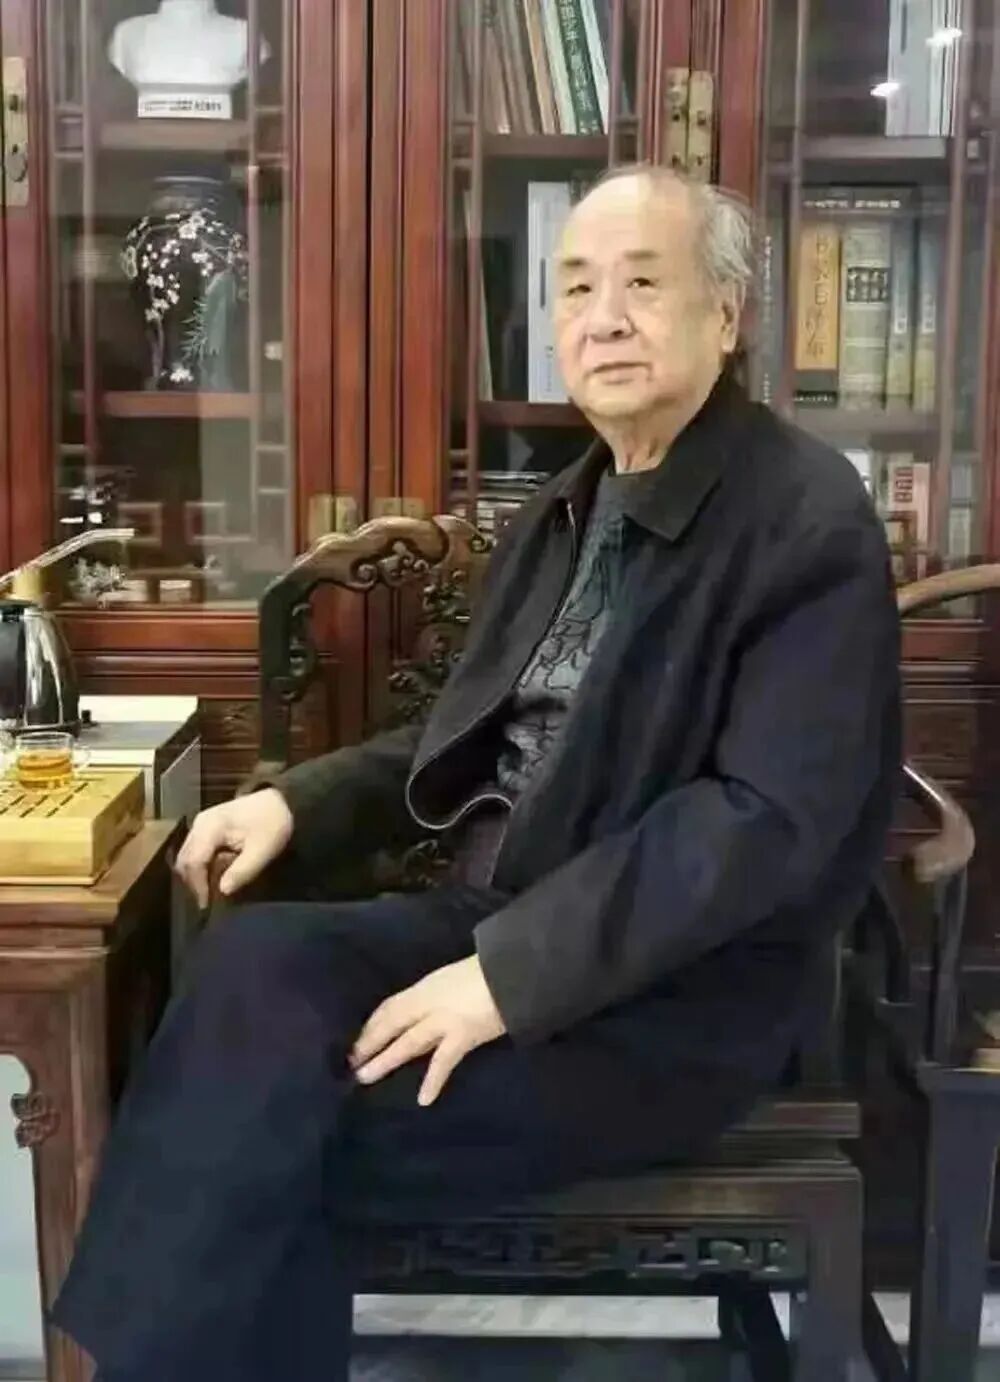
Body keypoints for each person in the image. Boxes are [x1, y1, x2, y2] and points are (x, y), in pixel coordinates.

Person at [51, 165, 901, 1380]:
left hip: (676, 999)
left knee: (276, 1124)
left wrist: (506, 975)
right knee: (251, 966)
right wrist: (295, 800)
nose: (603, 317)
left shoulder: (806, 517)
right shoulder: (570, 504)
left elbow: (758, 822)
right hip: (498, 914)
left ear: (725, 316)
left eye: (643, 284)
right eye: (576, 287)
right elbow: (467, 731)